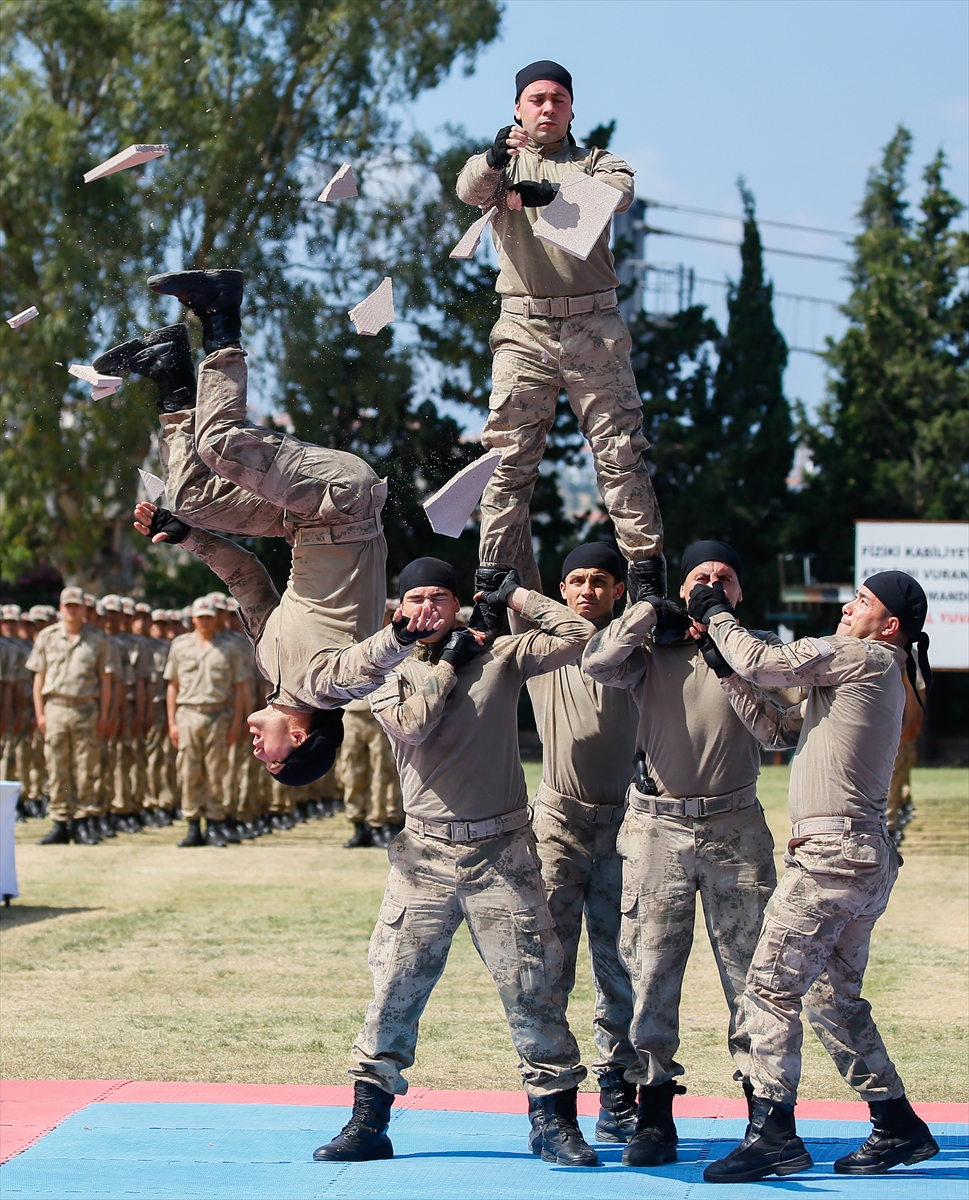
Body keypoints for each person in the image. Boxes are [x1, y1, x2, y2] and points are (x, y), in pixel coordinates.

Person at [100, 267, 441, 787]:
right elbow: (371, 664)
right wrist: (400, 635)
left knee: (191, 499)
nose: (260, 751)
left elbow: (246, 577)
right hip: (342, 501)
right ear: (299, 739)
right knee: (222, 446)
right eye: (272, 757)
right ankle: (220, 314)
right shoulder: (329, 689)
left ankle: (170, 371)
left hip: (302, 522)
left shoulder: (271, 665)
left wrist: (187, 536)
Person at [313, 558, 600, 1169]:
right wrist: (449, 661)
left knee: (533, 985)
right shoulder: (386, 669)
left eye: (438, 597)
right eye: (414, 598)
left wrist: (520, 596)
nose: (427, 609)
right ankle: (368, 1120)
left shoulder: (503, 654)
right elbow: (414, 725)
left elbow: (582, 636)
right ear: (399, 607)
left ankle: (554, 1120)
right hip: (425, 853)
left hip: (502, 850)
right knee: (395, 983)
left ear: (459, 602)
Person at [691, 570, 939, 1184]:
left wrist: (716, 611)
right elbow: (777, 728)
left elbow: (765, 660)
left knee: (770, 989)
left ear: (890, 626)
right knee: (833, 998)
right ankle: (898, 1125)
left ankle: (773, 1133)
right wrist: (721, 666)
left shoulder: (862, 654)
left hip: (830, 857)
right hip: (861, 858)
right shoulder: (872, 673)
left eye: (862, 601)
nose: (849, 607)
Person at [581, 539, 783, 1167]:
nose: (711, 584)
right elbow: (597, 662)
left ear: (739, 592)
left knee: (752, 975)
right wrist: (645, 609)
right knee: (650, 972)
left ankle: (765, 1114)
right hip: (657, 829)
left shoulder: (761, 651)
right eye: (700, 576)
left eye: (724, 577)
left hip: (735, 825)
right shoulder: (653, 648)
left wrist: (722, 650)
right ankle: (654, 1112)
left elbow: (778, 732)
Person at [456, 61, 666, 607]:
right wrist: (499, 158)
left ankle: (645, 574)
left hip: (593, 326)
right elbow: (467, 187)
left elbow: (617, 194)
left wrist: (546, 189)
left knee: (620, 451)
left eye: (558, 100)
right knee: (508, 456)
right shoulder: (497, 163)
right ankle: (493, 575)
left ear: (572, 109)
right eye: (536, 99)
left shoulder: (599, 162)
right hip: (524, 325)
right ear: (518, 109)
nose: (547, 108)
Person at [523, 542, 640, 1147]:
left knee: (622, 962)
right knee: (548, 962)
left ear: (619, 589)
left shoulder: (638, 646)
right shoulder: (542, 647)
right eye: (575, 581)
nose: (587, 590)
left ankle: (618, 1086)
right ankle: (550, 1094)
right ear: (561, 590)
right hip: (558, 823)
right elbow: (511, 565)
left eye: (600, 580)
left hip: (628, 821)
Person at [25, 587, 118, 845]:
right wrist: (40, 713)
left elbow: (106, 680)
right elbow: (38, 678)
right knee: (56, 766)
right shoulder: (46, 636)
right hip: (55, 707)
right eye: (68, 605)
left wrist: (105, 715)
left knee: (86, 767)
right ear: (61, 608)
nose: (72, 609)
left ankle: (84, 821)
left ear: (84, 610)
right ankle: (61, 822)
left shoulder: (98, 639)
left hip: (86, 708)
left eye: (77, 605)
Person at [164, 596, 249, 847]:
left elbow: (241, 687)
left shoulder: (230, 647)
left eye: (209, 618)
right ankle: (192, 825)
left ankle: (215, 824)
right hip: (188, 714)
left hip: (219, 715)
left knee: (216, 772)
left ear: (216, 619)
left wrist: (237, 723)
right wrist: (172, 722)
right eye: (200, 618)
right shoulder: (180, 646)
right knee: (189, 771)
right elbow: (172, 686)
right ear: (193, 619)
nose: (205, 622)